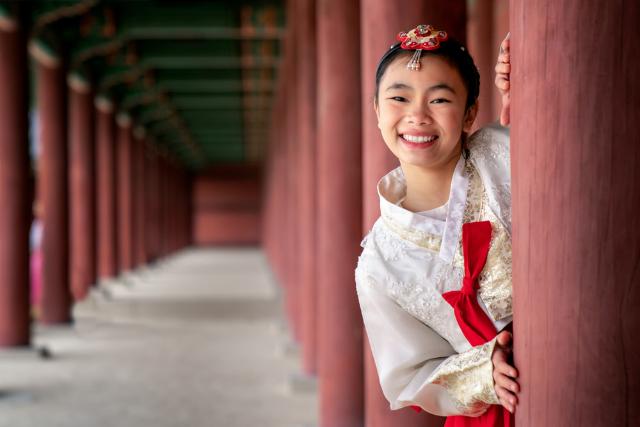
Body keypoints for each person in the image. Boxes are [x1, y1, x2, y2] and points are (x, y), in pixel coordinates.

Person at [355, 25, 516, 427]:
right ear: (376, 110)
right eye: (398, 98)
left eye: (440, 98)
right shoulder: (377, 265)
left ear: (470, 113)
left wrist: (526, 92)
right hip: (497, 405)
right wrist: (481, 373)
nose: (417, 116)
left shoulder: (503, 155)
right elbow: (408, 375)